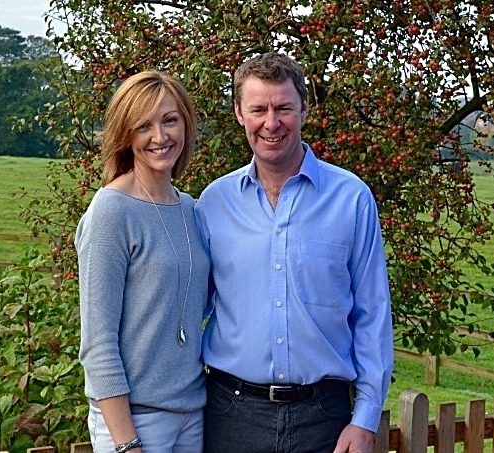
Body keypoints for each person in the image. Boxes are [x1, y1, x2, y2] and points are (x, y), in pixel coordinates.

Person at [194, 52, 394, 453]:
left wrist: (367, 417)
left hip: (325, 419)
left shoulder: (351, 198)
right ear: (239, 113)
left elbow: (372, 313)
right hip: (232, 416)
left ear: (304, 106)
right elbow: (188, 307)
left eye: (283, 107)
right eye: (258, 109)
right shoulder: (213, 203)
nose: (272, 122)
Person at [76, 71, 209, 453]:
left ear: (185, 123)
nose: (160, 137)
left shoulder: (189, 209)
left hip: (191, 414)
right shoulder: (110, 211)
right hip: (134, 423)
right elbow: (98, 343)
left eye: (170, 120)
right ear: (125, 135)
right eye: (144, 126)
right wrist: (126, 442)